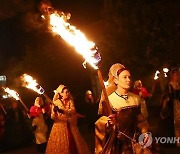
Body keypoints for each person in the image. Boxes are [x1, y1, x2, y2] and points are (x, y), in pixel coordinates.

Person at [95, 64, 151, 154]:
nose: (128, 80)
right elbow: (102, 125)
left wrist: (145, 132)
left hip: (136, 141)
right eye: (125, 77)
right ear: (116, 80)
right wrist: (110, 124)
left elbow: (141, 121)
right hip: (118, 144)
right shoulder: (109, 101)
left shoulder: (136, 98)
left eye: (129, 77)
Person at [46, 84, 90, 154]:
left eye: (68, 92)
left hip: (70, 125)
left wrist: (63, 110)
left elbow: (73, 110)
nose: (68, 93)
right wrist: (54, 111)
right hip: (59, 126)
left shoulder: (70, 101)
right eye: (66, 92)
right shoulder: (55, 103)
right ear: (61, 94)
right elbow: (53, 117)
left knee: (72, 142)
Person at [160, 68, 180, 146]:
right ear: (172, 76)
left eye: (177, 75)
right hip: (173, 106)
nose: (176, 77)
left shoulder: (179, 85)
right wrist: (164, 105)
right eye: (175, 75)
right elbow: (166, 96)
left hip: (179, 105)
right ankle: (175, 141)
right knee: (174, 124)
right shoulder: (169, 85)